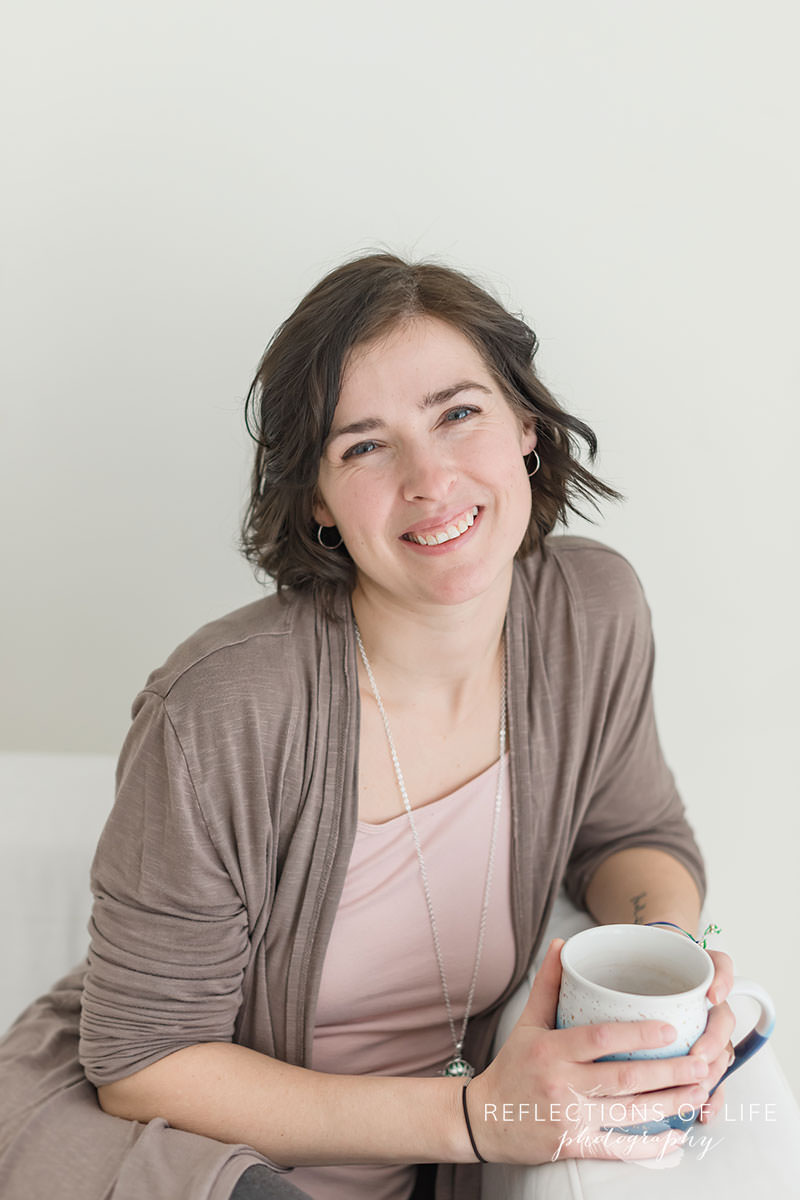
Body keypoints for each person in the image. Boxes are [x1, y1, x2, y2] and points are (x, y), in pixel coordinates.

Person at [0, 252, 736, 1200]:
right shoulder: (220, 709)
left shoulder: (591, 613)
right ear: (316, 501)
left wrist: (661, 980)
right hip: (162, 1151)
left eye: (457, 413)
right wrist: (477, 1119)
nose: (430, 479)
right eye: (364, 446)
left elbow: (631, 838)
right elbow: (142, 1063)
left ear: (525, 425)